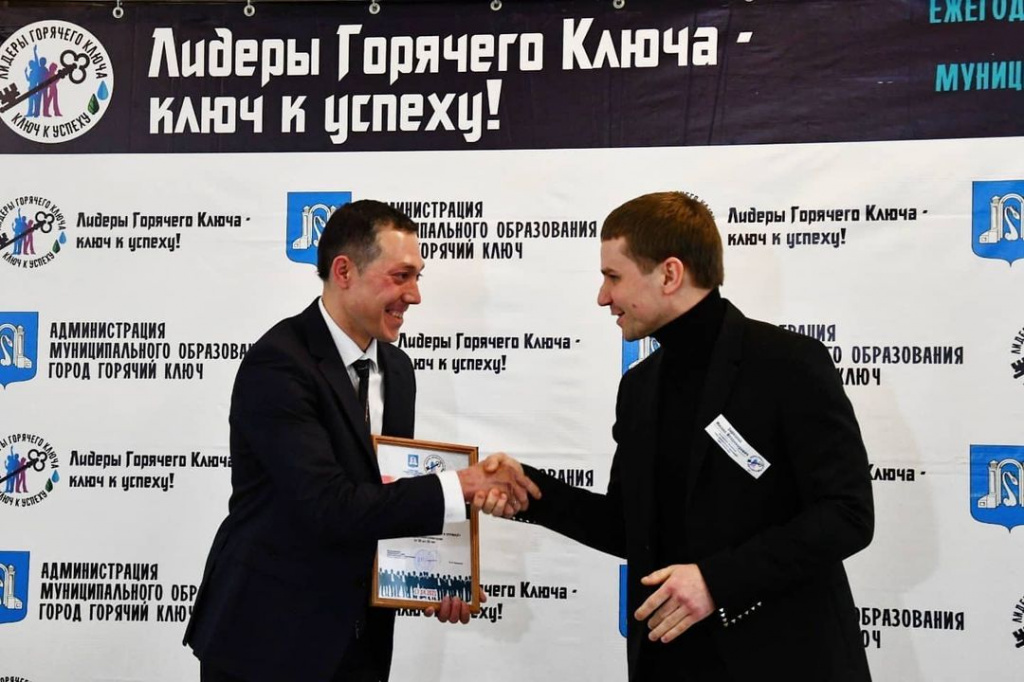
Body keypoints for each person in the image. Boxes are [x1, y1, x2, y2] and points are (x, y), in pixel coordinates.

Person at [482, 191, 874, 681]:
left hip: (783, 659)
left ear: (669, 274)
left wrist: (716, 582)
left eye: (613, 277)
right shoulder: (640, 386)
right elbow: (627, 526)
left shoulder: (788, 364)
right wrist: (530, 491)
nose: (603, 297)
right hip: (670, 662)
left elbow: (847, 515)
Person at [185, 200, 538, 682]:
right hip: (268, 643)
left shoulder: (398, 369)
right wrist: (463, 486)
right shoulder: (280, 363)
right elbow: (329, 506)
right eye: (401, 276)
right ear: (344, 271)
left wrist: (433, 574)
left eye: (418, 277)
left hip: (360, 646)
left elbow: (384, 492)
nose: (415, 295)